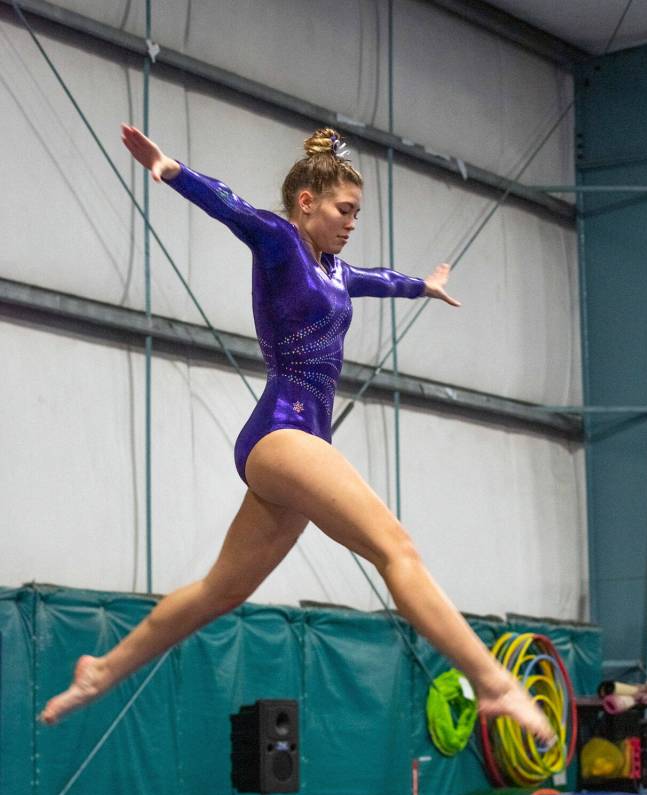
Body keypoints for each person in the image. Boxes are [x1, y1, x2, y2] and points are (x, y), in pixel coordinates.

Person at [40, 124, 555, 747]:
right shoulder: (281, 241)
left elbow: (380, 278)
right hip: (281, 432)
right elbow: (231, 207)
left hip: (299, 444)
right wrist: (173, 170)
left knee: (217, 593)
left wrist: (423, 285)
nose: (351, 222)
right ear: (307, 203)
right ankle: (493, 682)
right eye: (344, 210)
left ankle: (101, 671)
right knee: (397, 550)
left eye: (358, 214)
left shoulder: (336, 270)